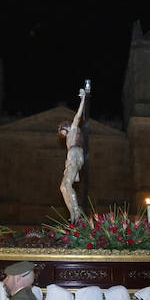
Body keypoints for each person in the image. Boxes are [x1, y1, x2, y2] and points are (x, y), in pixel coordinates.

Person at [58, 87, 88, 223]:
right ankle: (72, 213)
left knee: (68, 184)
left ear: (67, 127)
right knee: (63, 187)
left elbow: (78, 116)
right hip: (71, 157)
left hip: (75, 154)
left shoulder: (74, 129)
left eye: (64, 131)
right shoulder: (68, 139)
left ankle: (77, 212)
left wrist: (83, 98)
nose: (64, 135)